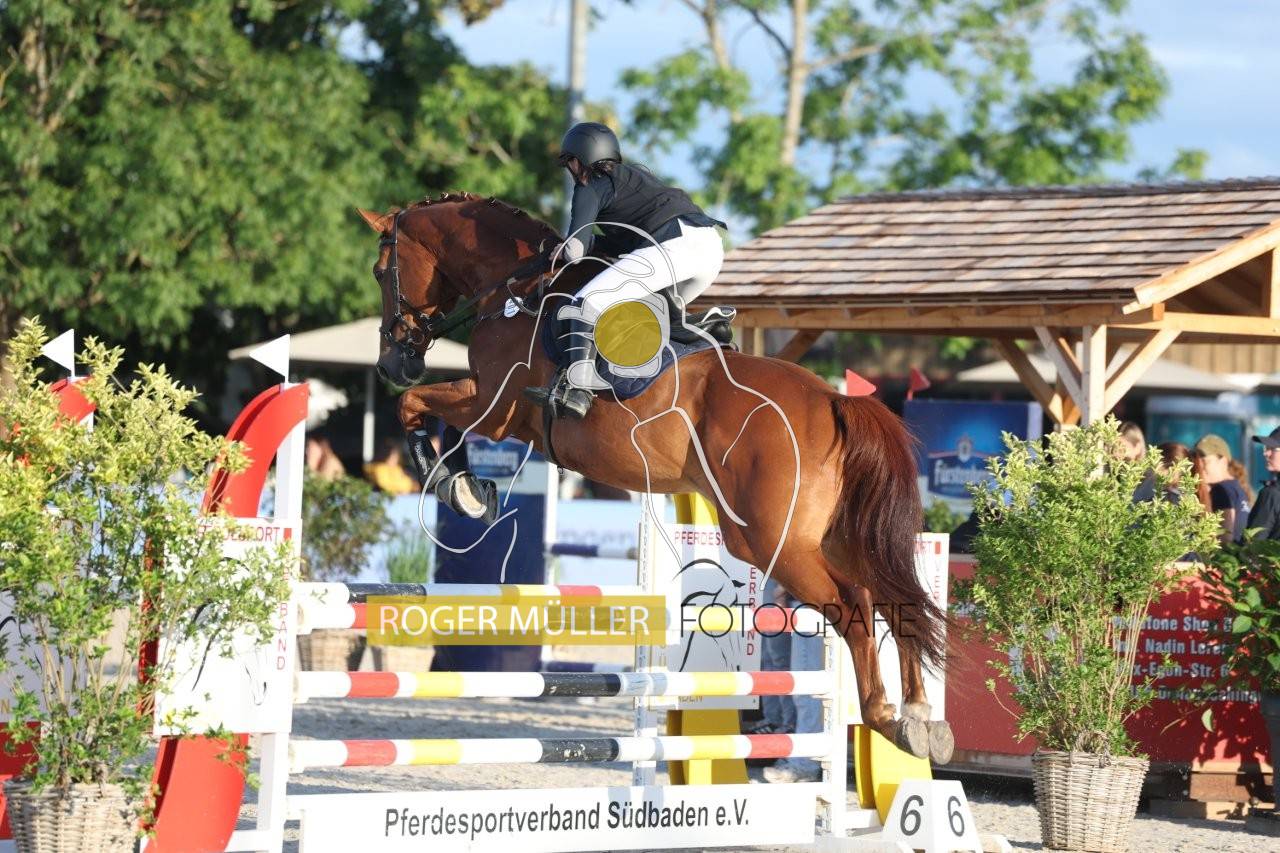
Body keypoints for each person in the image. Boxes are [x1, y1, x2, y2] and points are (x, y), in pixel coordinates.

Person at [524, 122, 727, 419]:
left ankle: (577, 390)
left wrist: (565, 249)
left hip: (673, 248)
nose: (570, 169)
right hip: (710, 248)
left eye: (570, 162)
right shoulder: (637, 177)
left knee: (586, 302)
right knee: (638, 315)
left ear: (579, 160)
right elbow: (620, 240)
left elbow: (575, 252)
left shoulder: (591, 186)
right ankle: (699, 326)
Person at [1195, 434, 1250, 544]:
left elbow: (1225, 538)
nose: (1200, 466)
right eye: (1197, 460)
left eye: (1205, 461)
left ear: (1223, 461)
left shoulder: (1221, 490)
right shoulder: (1235, 487)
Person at [1247, 427, 1280, 540]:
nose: (1266, 453)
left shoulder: (1271, 494)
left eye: (1273, 449)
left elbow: (1253, 543)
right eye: (1266, 448)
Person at [1118, 421, 1156, 502]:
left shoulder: (1150, 477)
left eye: (1122, 448)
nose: (1116, 453)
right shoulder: (1117, 472)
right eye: (1114, 447)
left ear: (1137, 447)